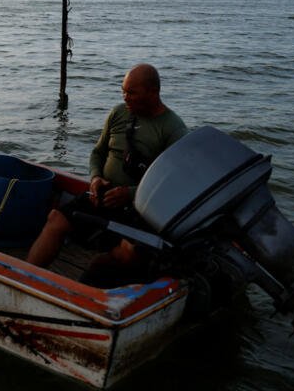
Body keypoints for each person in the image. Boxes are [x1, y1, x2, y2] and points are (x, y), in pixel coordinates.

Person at [26, 63, 188, 285]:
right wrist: (94, 178)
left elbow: (175, 183)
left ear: (153, 92)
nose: (125, 97)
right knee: (56, 219)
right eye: (123, 91)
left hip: (139, 210)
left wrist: (130, 194)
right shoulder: (119, 113)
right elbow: (97, 153)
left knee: (125, 254)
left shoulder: (173, 129)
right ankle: (25, 279)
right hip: (102, 196)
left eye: (131, 92)